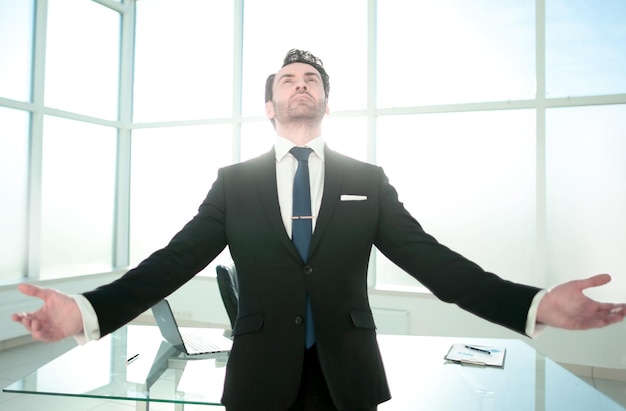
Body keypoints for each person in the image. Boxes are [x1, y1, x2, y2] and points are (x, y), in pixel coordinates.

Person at [12, 49, 626, 411]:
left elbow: (434, 263)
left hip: (349, 377)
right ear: (270, 106)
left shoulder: (369, 179)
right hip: (257, 380)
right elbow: (172, 262)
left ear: (327, 103)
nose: (300, 84)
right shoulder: (234, 182)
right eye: (288, 79)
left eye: (311, 80)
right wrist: (88, 312)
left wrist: (537, 304)